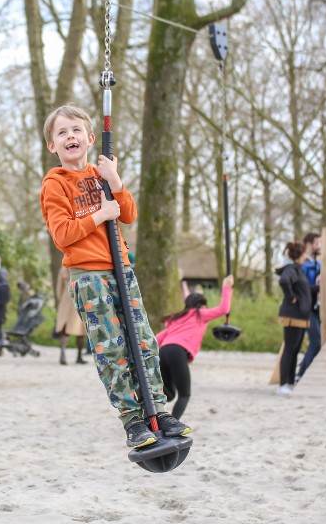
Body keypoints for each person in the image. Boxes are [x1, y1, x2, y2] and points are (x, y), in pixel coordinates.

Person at [39, 104, 190, 449]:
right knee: (113, 349)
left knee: (144, 341)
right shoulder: (55, 184)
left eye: (76, 130)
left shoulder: (101, 174)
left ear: (91, 138)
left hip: (121, 269)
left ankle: (158, 410)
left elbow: (130, 215)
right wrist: (100, 214)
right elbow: (62, 235)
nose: (70, 137)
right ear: (53, 146)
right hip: (89, 278)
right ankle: (132, 419)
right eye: (61, 133)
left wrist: (115, 182)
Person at [156, 276, 234, 419]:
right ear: (201, 306)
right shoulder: (200, 314)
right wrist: (227, 286)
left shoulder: (177, 318)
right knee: (185, 394)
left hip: (163, 351)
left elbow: (156, 339)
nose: (206, 308)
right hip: (177, 352)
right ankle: (174, 425)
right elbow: (223, 309)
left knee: (169, 394)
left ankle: (148, 394)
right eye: (204, 305)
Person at [276, 241, 311, 396]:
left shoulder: (298, 270)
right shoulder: (291, 269)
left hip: (301, 315)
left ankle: (290, 382)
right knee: (289, 349)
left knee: (295, 349)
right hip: (292, 314)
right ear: (300, 255)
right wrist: (291, 297)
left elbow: (303, 289)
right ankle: (282, 383)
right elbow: (284, 281)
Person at [296, 233, 321, 381]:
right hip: (305, 308)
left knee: (316, 341)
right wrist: (319, 287)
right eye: (318, 243)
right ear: (309, 245)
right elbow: (303, 288)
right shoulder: (303, 266)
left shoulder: (318, 264)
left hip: (315, 307)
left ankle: (301, 372)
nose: (320, 246)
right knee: (316, 339)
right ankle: (302, 374)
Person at [55, 265, 87, 365]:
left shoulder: (64, 267)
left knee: (64, 328)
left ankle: (63, 353)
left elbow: (59, 287)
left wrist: (61, 300)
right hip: (80, 297)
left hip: (66, 297)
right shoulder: (83, 265)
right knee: (80, 329)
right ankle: (79, 356)